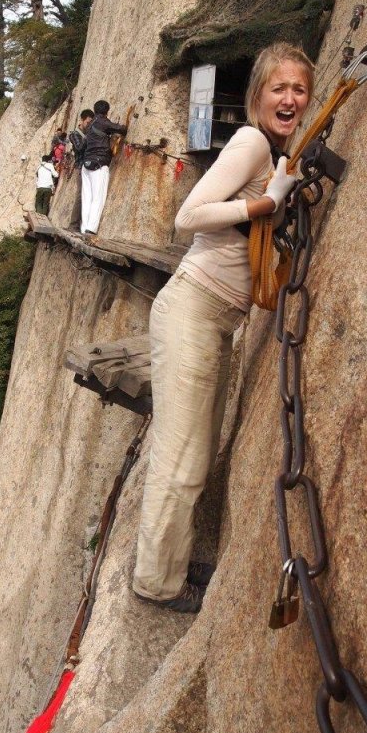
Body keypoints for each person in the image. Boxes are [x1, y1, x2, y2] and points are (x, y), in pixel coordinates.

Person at [132, 42, 313, 612]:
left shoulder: (279, 151)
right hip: (193, 309)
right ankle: (156, 586)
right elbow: (189, 215)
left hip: (214, 319)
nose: (289, 98)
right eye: (278, 88)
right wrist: (259, 207)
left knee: (198, 450)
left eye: (299, 89)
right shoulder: (253, 141)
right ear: (257, 95)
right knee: (181, 460)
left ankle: (173, 563)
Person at [80, 99, 127, 235]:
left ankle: (84, 228)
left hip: (86, 164)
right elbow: (121, 129)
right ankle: (91, 229)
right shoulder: (102, 121)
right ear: (107, 111)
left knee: (87, 197)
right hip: (99, 164)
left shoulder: (90, 125)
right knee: (98, 197)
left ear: (94, 110)